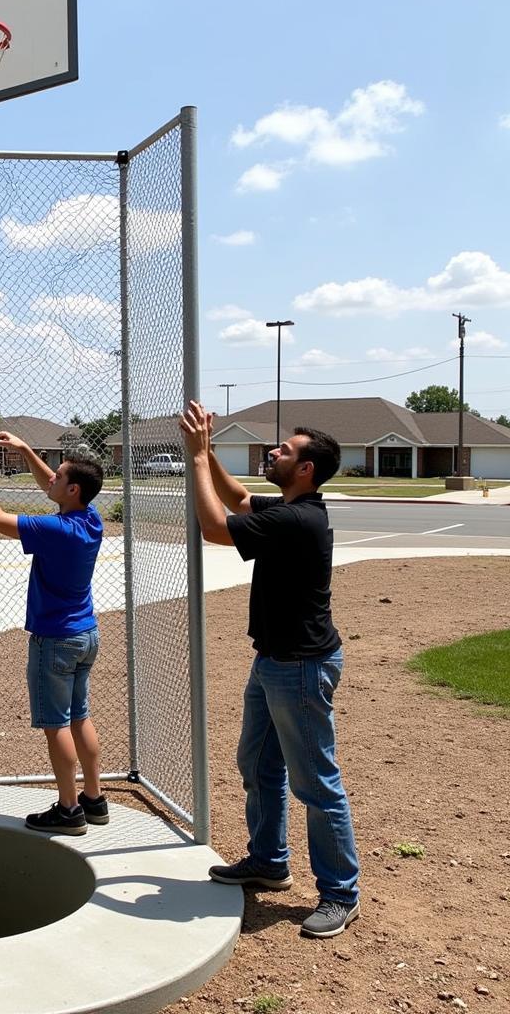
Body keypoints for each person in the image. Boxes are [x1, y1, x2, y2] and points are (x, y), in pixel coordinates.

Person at [178, 400, 361, 939]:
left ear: (305, 469)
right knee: (257, 764)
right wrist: (208, 451)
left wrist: (194, 459)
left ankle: (340, 894)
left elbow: (215, 526)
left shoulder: (297, 520)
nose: (274, 451)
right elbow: (235, 498)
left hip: (301, 669)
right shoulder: (286, 510)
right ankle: (268, 862)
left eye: (284, 449)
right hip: (274, 663)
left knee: (315, 782)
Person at [0, 431, 106, 835]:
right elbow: (52, 485)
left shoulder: (56, 530)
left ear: (73, 489)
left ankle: (68, 808)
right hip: (85, 635)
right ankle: (94, 800)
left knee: (56, 724)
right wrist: (25, 450)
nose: (51, 481)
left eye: (59, 477)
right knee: (80, 716)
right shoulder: (90, 519)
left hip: (56, 640)